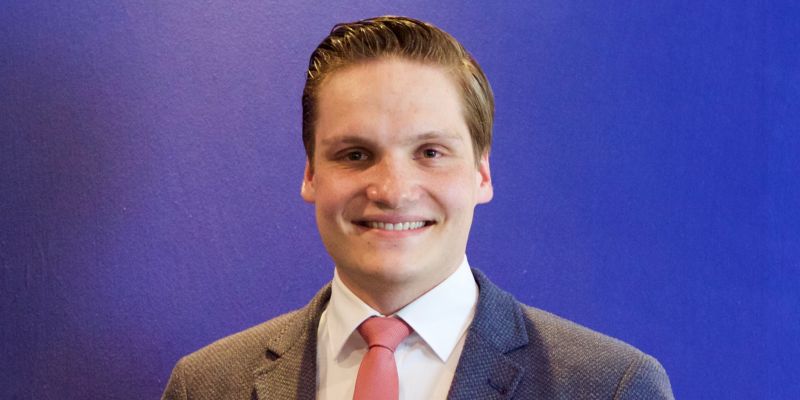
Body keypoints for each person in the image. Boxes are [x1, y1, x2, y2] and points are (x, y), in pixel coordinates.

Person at [162, 16, 674, 399]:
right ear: (311, 174)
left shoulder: (612, 386)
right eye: (355, 154)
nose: (392, 189)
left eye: (430, 152)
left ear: (482, 174)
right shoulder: (204, 386)